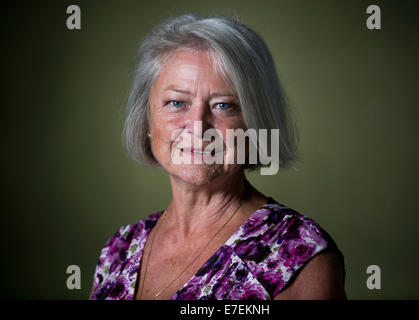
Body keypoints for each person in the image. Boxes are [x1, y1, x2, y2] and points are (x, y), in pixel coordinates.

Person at [90, 14, 346, 300]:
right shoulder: (119, 249)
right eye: (176, 103)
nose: (198, 127)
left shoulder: (300, 256)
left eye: (224, 105)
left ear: (255, 124)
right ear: (147, 121)